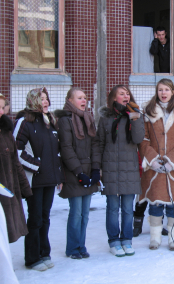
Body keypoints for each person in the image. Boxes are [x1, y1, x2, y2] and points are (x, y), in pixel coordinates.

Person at [14, 87, 64, 271]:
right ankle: (32, 258)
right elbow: (16, 152)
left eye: (47, 98)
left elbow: (55, 153)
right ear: (33, 100)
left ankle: (44, 252)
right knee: (35, 218)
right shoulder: (24, 122)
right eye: (42, 98)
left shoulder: (50, 122)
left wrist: (57, 175)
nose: (46, 102)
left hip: (49, 179)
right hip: (33, 180)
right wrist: (38, 166)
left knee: (45, 217)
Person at [139, 78, 174, 251]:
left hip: (173, 168)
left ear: (173, 91)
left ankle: (173, 237)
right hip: (154, 167)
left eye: (167, 90)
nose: (163, 93)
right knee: (155, 203)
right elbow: (143, 139)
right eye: (160, 90)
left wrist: (171, 161)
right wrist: (153, 160)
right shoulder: (148, 111)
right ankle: (155, 238)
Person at [97, 85, 145, 257]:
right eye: (121, 94)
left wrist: (136, 118)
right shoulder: (105, 119)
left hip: (129, 169)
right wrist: (99, 168)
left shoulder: (134, 116)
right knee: (112, 208)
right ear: (113, 98)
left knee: (127, 208)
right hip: (110, 168)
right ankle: (114, 241)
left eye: (127, 93)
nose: (126, 96)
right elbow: (99, 144)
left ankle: (127, 240)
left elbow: (139, 139)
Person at [55, 88, 100, 259]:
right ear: (70, 100)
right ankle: (73, 248)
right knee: (76, 212)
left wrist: (95, 169)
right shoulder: (65, 121)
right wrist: (79, 172)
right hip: (74, 173)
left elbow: (95, 145)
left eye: (85, 98)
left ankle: (81, 245)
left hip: (88, 171)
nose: (84, 100)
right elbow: (66, 149)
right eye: (79, 98)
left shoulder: (88, 119)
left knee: (85, 213)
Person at [0, 94, 32, 244]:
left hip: (7, 187)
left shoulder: (6, 131)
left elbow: (15, 161)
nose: (1, 112)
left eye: (2, 108)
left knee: (4, 233)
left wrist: (24, 187)